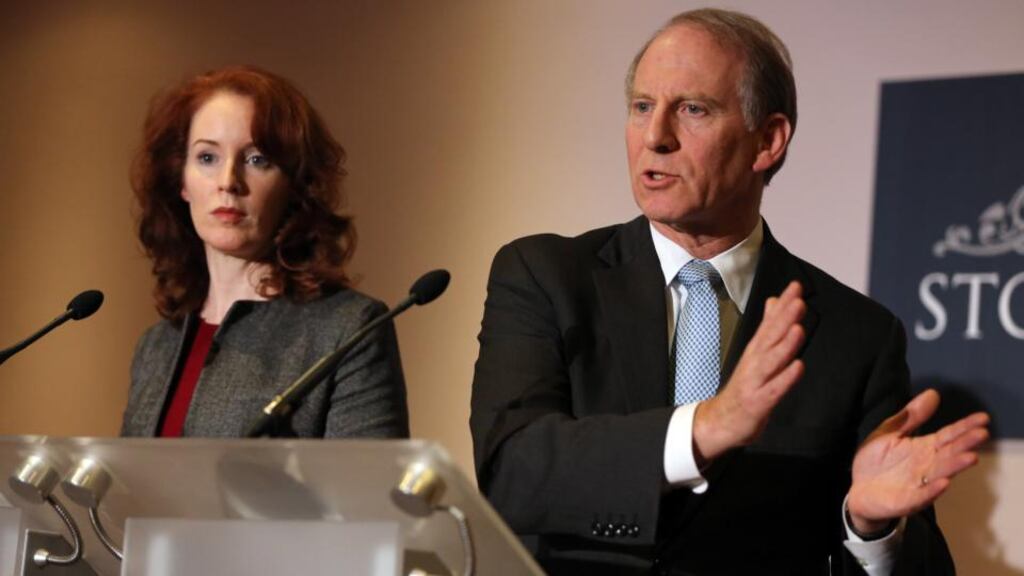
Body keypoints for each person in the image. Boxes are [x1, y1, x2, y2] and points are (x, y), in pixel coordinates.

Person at [470, 9, 989, 575]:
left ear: (767, 141)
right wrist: (706, 427)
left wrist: (870, 528)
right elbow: (511, 470)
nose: (655, 137)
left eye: (692, 109)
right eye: (642, 107)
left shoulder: (857, 335)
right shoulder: (546, 275)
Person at [122, 66, 408, 439]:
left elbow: (367, 476)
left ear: (294, 185)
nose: (228, 181)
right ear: (182, 181)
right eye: (207, 158)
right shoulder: (155, 347)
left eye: (257, 160)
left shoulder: (348, 330)